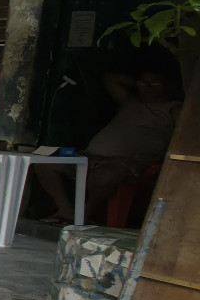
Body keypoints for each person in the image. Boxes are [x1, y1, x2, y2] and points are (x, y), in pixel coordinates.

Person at [33, 69, 183, 223]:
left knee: (105, 176)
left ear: (168, 86)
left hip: (121, 162)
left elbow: (182, 140)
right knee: (44, 158)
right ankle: (65, 209)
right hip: (87, 155)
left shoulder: (174, 109)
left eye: (154, 83)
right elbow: (111, 78)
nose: (147, 88)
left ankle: (84, 214)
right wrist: (142, 84)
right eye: (143, 83)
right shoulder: (130, 101)